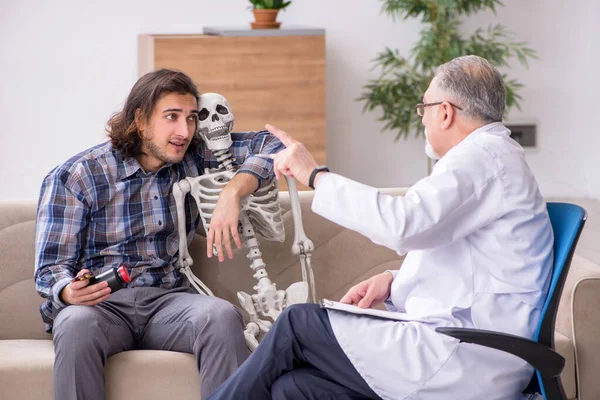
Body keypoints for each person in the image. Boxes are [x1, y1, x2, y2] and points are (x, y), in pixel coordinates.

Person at [207, 55, 554, 400]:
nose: (423, 119)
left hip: (467, 355)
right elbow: (465, 254)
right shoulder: (489, 158)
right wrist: (394, 281)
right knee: (294, 389)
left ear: (444, 112)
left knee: (297, 325)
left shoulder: (482, 159)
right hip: (463, 344)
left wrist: (314, 175)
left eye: (424, 108)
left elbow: (404, 223)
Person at [34, 68, 283, 400]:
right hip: (101, 308)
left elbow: (274, 145)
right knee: (76, 324)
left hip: (168, 303)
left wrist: (234, 190)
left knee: (220, 315)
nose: (185, 131)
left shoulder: (193, 158)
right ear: (140, 120)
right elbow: (51, 268)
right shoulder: (78, 176)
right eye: (172, 117)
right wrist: (68, 292)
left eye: (192, 118)